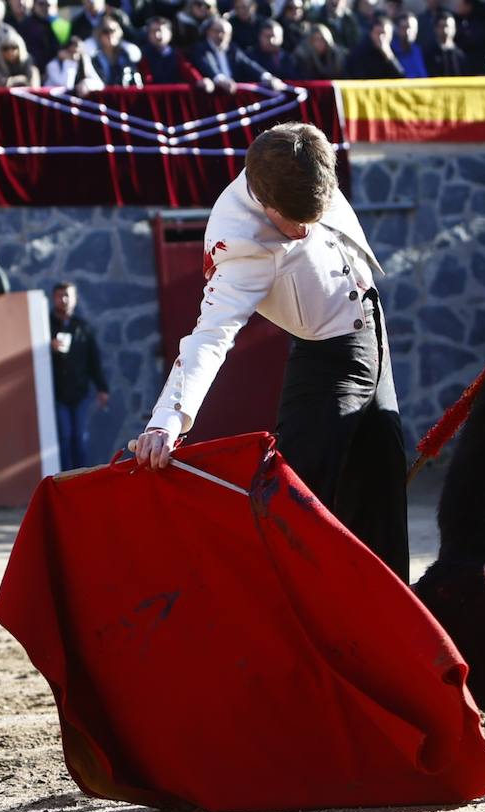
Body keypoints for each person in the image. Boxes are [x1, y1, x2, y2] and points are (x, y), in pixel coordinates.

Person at [131, 122, 409, 581]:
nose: (303, 230)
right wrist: (166, 420)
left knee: (383, 489)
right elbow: (210, 336)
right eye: (292, 220)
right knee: (293, 503)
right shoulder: (240, 243)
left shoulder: (307, 156)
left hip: (374, 339)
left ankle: (399, 624)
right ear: (263, 200)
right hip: (327, 364)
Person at [49, 282, 111, 472]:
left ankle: (82, 477)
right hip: (57, 393)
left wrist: (102, 388)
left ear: (75, 299)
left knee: (80, 438)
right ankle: (66, 478)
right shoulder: (45, 326)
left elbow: (93, 361)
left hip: (80, 391)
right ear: (54, 298)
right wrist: (49, 348)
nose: (64, 300)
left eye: (67, 295)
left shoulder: (82, 327)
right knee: (64, 438)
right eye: (60, 296)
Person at [191, 16, 281, 91]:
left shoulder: (233, 49)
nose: (221, 36)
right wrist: (221, 80)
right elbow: (207, 65)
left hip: (233, 92)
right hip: (212, 94)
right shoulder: (200, 48)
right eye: (217, 31)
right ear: (209, 32)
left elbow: (248, 64)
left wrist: (266, 77)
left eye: (225, 33)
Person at [138, 16, 210, 87]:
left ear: (170, 33)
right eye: (153, 31)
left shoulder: (178, 54)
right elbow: (146, 78)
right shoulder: (142, 55)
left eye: (160, 30)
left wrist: (199, 80)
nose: (157, 35)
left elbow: (187, 70)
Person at [346, 12, 402, 79]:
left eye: (384, 33)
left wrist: (389, 56)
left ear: (391, 35)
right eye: (378, 33)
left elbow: (400, 77)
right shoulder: (360, 53)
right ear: (371, 34)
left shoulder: (397, 50)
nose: (381, 37)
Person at [90, 15, 143, 86]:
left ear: (119, 33)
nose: (110, 35)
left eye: (113, 30)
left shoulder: (127, 55)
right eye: (105, 31)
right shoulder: (93, 58)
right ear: (99, 35)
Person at [18, 0, 64, 71]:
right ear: (34, 5)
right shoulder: (25, 26)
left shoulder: (58, 25)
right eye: (41, 4)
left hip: (54, 69)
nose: (45, 7)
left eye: (48, 5)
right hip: (34, 70)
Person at [452, 0, 485, 76]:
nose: (456, 6)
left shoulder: (481, 20)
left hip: (479, 63)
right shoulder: (457, 20)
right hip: (464, 66)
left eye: (460, 4)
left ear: (468, 5)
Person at [424, 11, 464, 77]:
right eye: (442, 26)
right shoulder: (428, 52)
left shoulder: (459, 55)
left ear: (454, 29)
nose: (445, 30)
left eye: (448, 27)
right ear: (435, 28)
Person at [390, 12, 426, 78]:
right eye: (404, 28)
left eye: (412, 28)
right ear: (397, 29)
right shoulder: (391, 50)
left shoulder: (419, 50)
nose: (408, 31)